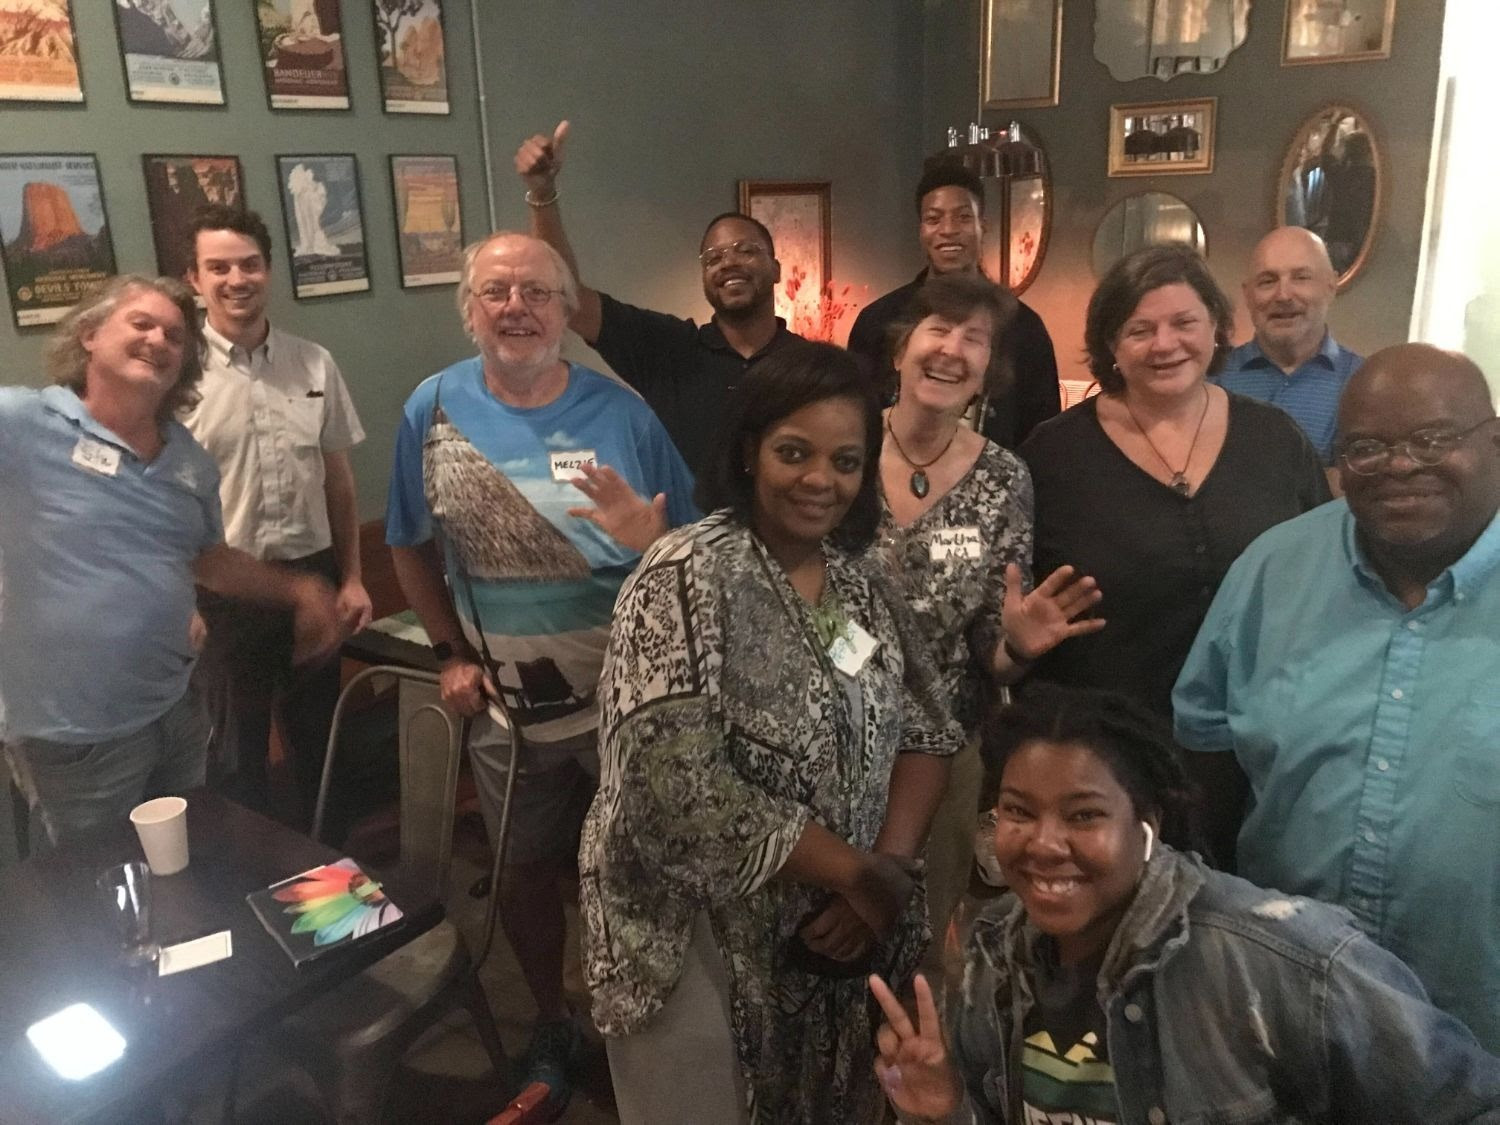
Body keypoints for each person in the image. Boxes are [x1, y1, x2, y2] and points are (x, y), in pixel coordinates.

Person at [581, 342, 963, 1124]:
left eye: (846, 460)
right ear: (750, 450)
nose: (821, 479)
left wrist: (883, 870)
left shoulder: (860, 584)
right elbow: (677, 793)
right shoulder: (683, 576)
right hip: (697, 939)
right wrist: (854, 873)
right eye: (795, 452)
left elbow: (927, 730)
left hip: (835, 940)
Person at [869, 683, 1500, 1124]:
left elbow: (1469, 1104)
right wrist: (946, 1107)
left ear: (1148, 822)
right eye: (1018, 812)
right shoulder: (994, 952)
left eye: (1084, 815)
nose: (1044, 844)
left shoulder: (1286, 960)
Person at [386, 231, 696, 1112]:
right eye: (495, 291)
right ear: (470, 310)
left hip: (625, 701)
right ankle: (553, 1019)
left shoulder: (625, 414)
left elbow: (693, 552)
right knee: (519, 868)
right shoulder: (431, 408)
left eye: (535, 291)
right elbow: (408, 541)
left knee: (644, 863)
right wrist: (449, 650)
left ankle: (650, 1012)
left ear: (566, 309)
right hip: (507, 712)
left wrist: (656, 537)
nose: (515, 306)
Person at [1174, 343, 1500, 1052]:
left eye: (1434, 439)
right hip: (1287, 1022)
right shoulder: (1272, 569)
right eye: (1366, 447)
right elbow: (1209, 764)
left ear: (1495, 440)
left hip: (1483, 1036)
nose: (1401, 465)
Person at [0, 275, 343, 852]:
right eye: (141, 324)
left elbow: (208, 560)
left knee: (183, 867)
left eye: (175, 336)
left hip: (177, 709)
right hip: (75, 729)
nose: (159, 339)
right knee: (100, 889)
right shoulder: (23, 424)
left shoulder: (188, 461)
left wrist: (299, 590)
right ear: (89, 335)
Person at [876, 272, 1103, 943]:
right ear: (900, 349)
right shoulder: (843, 447)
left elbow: (993, 655)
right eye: (938, 328)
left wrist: (1020, 646)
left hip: (946, 748)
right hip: (825, 732)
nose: (952, 349)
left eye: (973, 339)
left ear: (986, 375)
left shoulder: (1005, 478)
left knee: (915, 922)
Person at [1018, 244, 1328, 721]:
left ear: (1216, 328)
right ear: (1110, 346)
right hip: (1101, 748)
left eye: (1184, 323)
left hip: (1250, 739)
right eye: (1140, 330)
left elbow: (1322, 575)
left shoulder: (1276, 439)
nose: (1165, 344)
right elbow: (1016, 612)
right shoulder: (1052, 455)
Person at [182, 205, 369, 827]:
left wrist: (353, 577)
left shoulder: (314, 362)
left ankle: (332, 898)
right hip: (224, 591)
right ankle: (250, 899)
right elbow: (159, 505)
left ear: (269, 271)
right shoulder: (177, 377)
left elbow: (338, 482)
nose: (237, 279)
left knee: (322, 752)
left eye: (250, 264)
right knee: (236, 764)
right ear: (195, 280)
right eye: (219, 267)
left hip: (313, 584)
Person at [517, 120, 803, 477]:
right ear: (704, 277)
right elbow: (565, 297)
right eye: (713, 257)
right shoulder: (670, 353)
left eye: (746, 251)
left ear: (776, 269)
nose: (728, 262)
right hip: (689, 532)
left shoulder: (810, 367)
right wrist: (542, 195)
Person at [846, 162, 1060, 450]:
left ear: (982, 225)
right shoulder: (878, 321)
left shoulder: (1023, 326)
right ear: (921, 230)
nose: (948, 230)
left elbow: (1041, 435)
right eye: (934, 219)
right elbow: (855, 419)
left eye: (962, 218)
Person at [1213, 226, 1362, 469]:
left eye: (1301, 278)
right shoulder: (1211, 376)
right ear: (1248, 295)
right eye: (1267, 281)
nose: (1283, 295)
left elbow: (1359, 484)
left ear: (1330, 287)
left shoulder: (1361, 383)